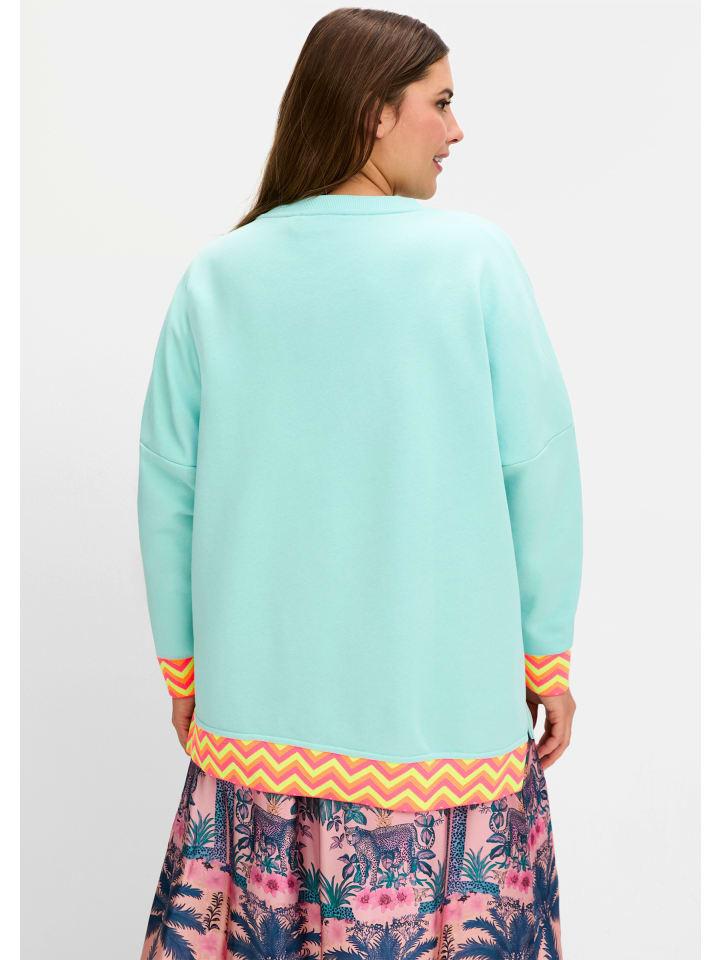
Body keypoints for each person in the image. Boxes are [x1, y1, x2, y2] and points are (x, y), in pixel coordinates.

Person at [136, 8, 582, 959]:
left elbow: (170, 487)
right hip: (445, 726)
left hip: (259, 722)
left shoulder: (220, 274)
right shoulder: (475, 260)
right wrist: (548, 661)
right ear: (376, 112)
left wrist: (184, 668)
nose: (457, 130)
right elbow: (538, 469)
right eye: (441, 103)